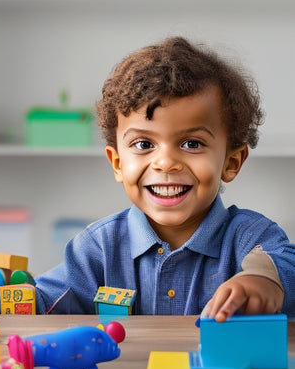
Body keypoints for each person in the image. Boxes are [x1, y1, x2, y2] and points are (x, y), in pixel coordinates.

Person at [35, 36, 295, 321]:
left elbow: (282, 262)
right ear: (118, 163)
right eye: (144, 145)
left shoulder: (249, 236)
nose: (166, 163)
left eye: (192, 144)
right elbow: (44, 301)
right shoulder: (97, 248)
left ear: (231, 162)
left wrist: (262, 279)